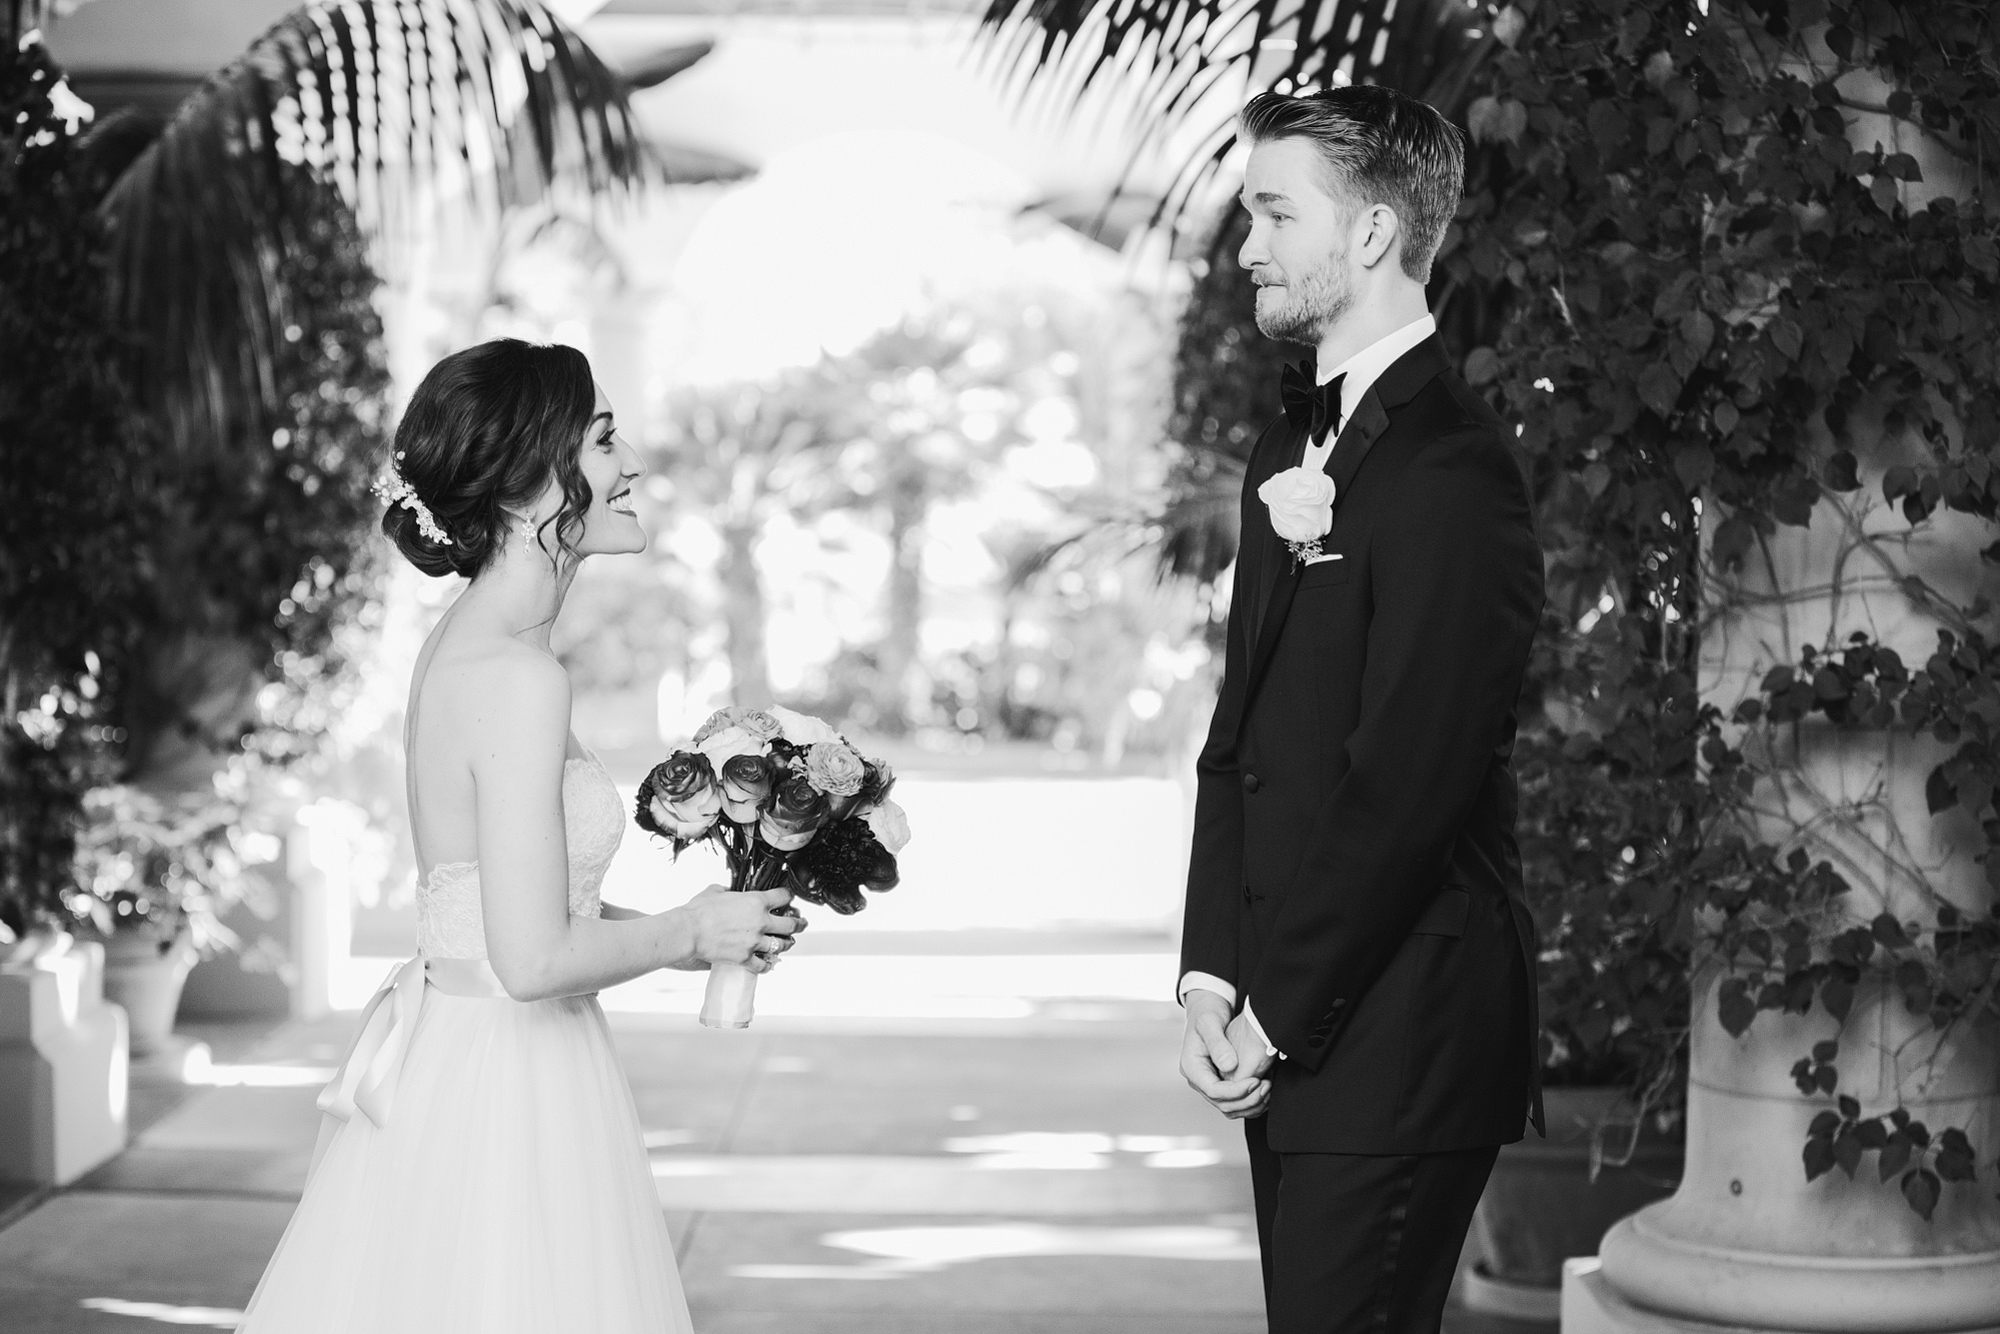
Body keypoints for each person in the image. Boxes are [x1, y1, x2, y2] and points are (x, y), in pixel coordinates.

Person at [237, 339, 798, 1334]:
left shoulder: (474, 644)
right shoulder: (517, 675)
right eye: (605, 440)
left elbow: (505, 900)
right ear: (527, 479)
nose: (631, 468)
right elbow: (532, 956)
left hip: (478, 1053)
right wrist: (688, 933)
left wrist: (705, 928)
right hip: (503, 1091)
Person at [1176, 86, 1546, 1332]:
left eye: (1276, 212)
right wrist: (1209, 980)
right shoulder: (1280, 455)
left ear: (1375, 232)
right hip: (1286, 1026)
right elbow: (1238, 742)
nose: (1248, 245)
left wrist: (1273, 1011)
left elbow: (1407, 787)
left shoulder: (1454, 473)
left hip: (1399, 1035)